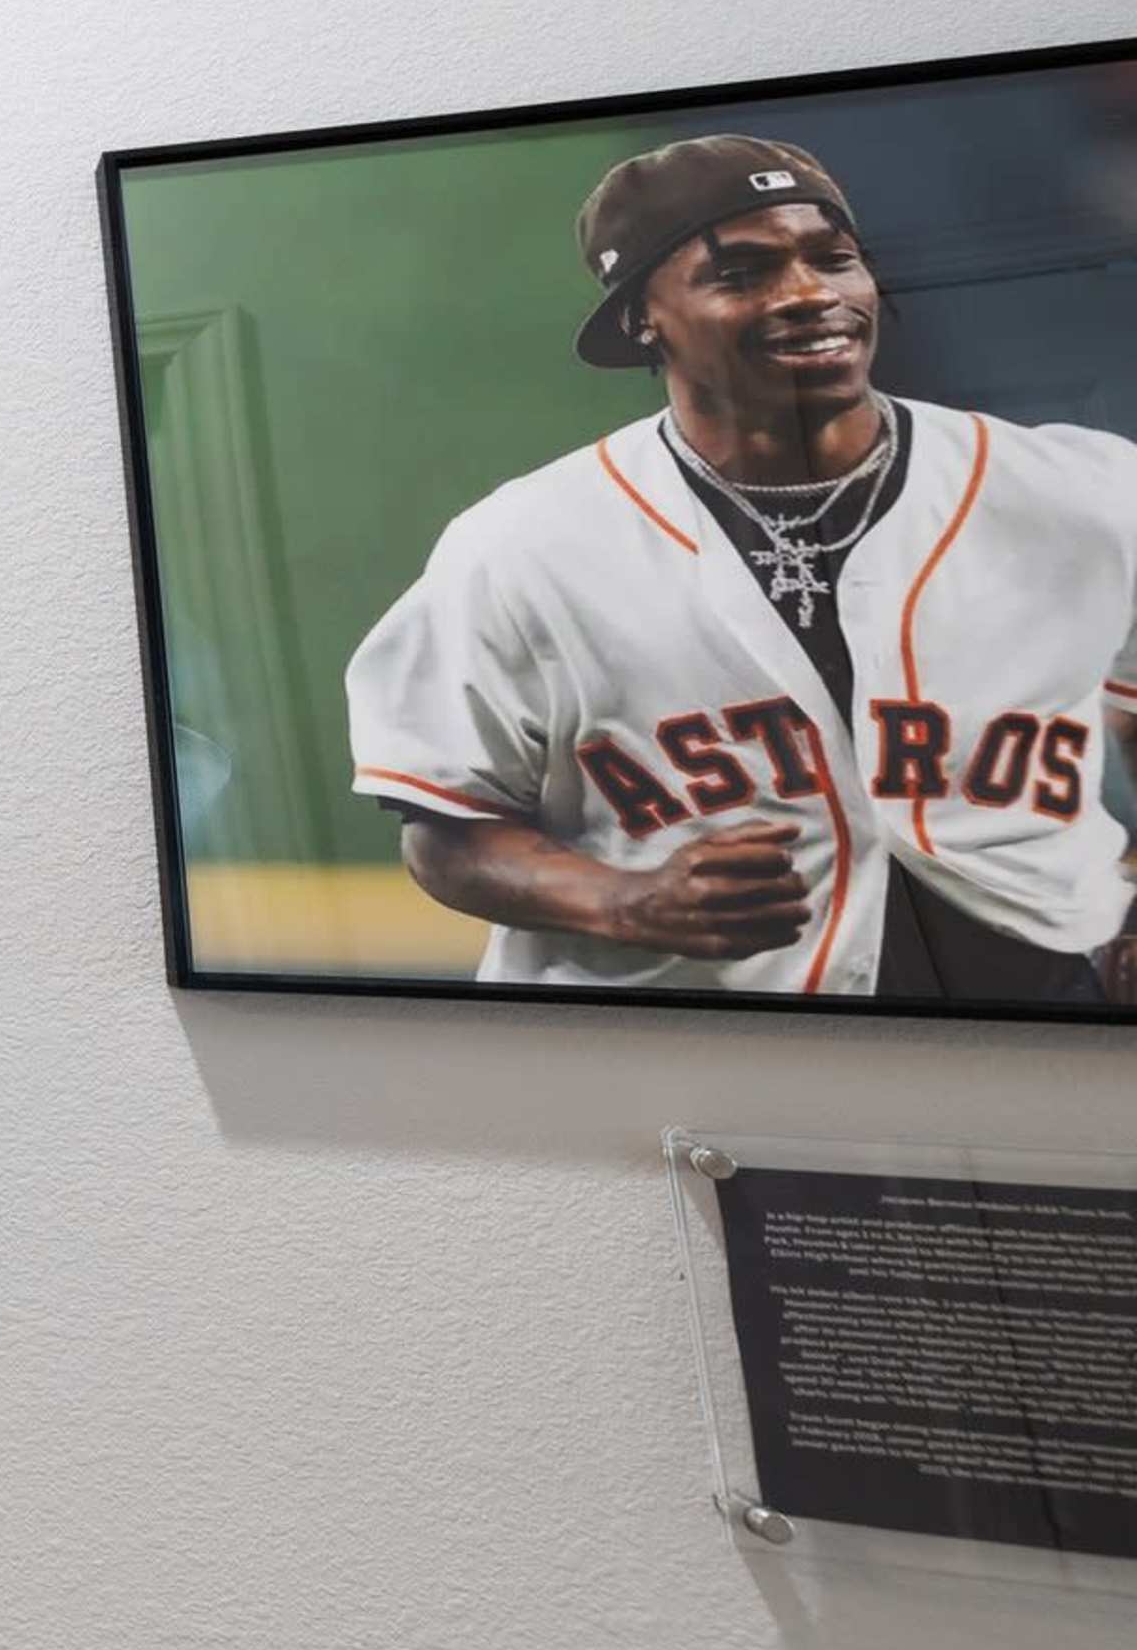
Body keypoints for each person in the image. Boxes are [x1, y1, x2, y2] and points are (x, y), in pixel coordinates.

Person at [346, 135, 1137, 1003]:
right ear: (640, 318)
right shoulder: (518, 547)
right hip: (707, 1043)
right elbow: (446, 833)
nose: (810, 295)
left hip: (1041, 1021)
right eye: (743, 273)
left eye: (834, 260)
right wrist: (626, 900)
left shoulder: (1082, 491)